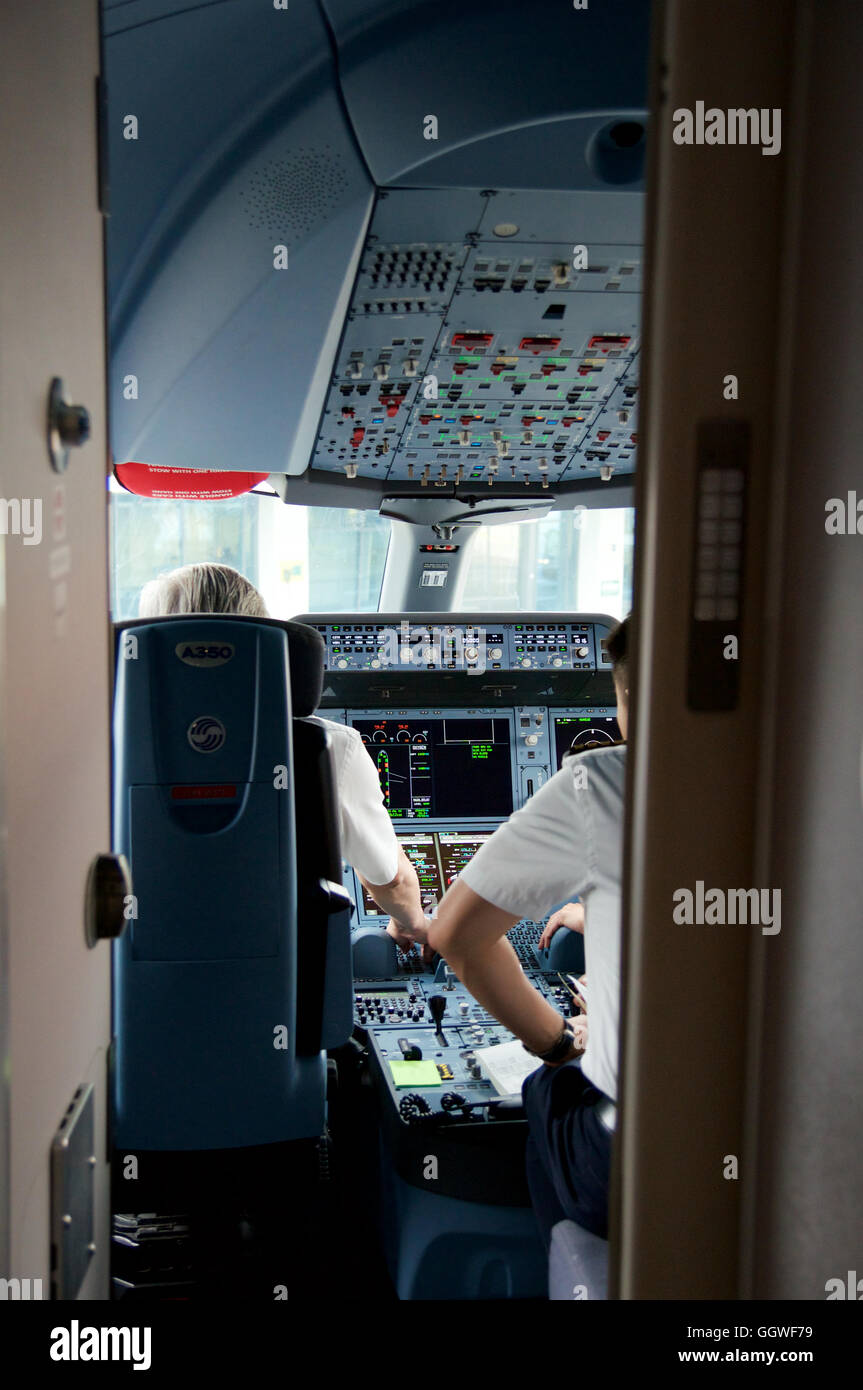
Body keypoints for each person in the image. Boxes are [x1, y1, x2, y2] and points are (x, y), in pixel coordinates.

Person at [426, 615, 630, 1247]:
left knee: (551, 1089)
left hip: (645, 1155)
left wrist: (569, 1042)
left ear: (632, 695)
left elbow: (455, 938)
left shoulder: (602, 783)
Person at [137, 563, 429, 949]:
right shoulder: (329, 747)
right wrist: (415, 924)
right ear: (263, 644)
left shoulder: (103, 746)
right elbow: (390, 879)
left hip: (133, 987)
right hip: (288, 987)